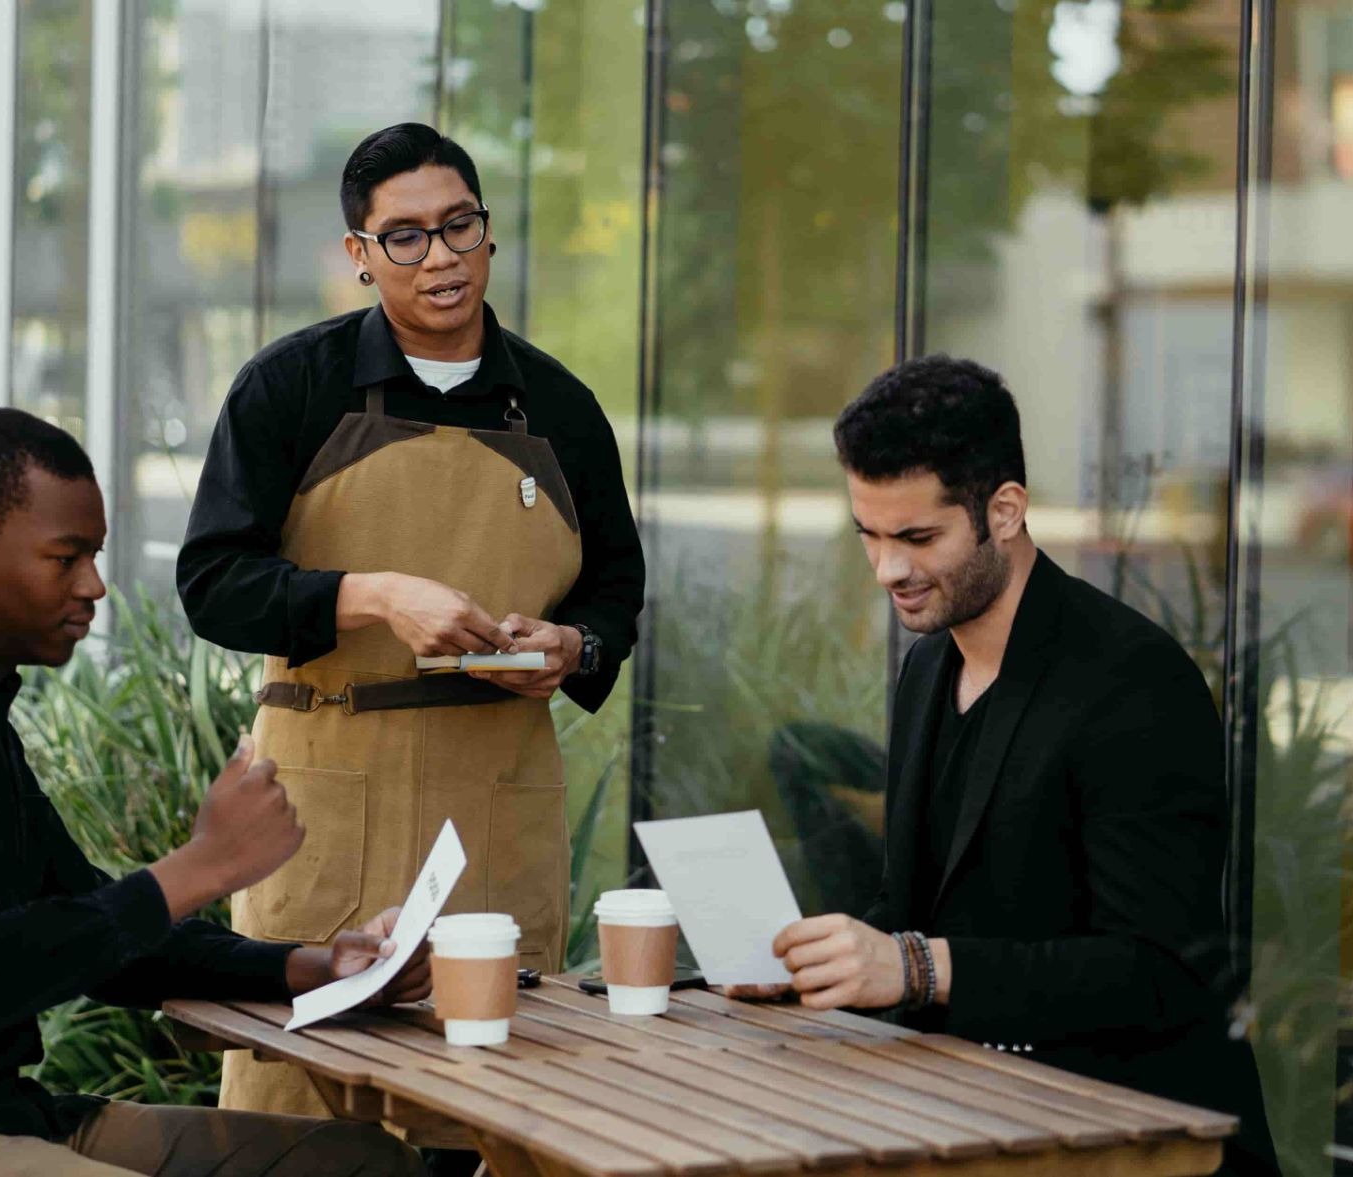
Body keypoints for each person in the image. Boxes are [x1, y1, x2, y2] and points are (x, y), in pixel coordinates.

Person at [0, 409, 430, 1177]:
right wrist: (201, 865)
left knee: (363, 1164)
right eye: (65, 557)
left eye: (93, 556)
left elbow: (96, 932)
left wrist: (312, 967)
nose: (94, 585)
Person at [176, 122, 644, 1117]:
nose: (438, 256)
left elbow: (615, 591)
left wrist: (571, 645)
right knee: (294, 1104)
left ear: (487, 231)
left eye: (457, 225)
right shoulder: (287, 389)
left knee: (497, 1099)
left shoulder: (560, 408)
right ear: (358, 255)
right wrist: (375, 593)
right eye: (404, 236)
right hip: (322, 800)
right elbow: (212, 581)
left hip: (495, 802)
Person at [735, 356, 1277, 1175]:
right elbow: (924, 899)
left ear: (1006, 510)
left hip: (1138, 1140)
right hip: (973, 1111)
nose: (889, 570)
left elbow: (1162, 970)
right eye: (870, 536)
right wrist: (813, 963)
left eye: (919, 537)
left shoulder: (1134, 681)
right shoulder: (928, 667)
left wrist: (916, 966)